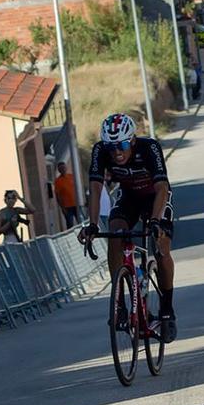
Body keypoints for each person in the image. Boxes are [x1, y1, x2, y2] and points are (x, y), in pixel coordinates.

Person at [78, 113, 178, 343]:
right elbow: (95, 188)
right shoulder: (99, 151)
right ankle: (119, 305)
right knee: (115, 233)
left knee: (161, 247)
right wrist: (92, 224)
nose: (117, 152)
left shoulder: (149, 148)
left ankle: (166, 309)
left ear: (132, 141)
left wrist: (154, 221)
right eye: (111, 147)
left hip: (155, 198)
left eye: (122, 145)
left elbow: (162, 187)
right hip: (129, 197)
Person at [54, 161, 79, 230]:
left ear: (66, 168)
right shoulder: (58, 181)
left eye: (64, 167)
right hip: (67, 207)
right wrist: (62, 208)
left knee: (81, 221)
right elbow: (57, 195)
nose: (63, 169)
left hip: (76, 204)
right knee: (70, 224)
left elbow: (78, 188)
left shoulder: (71, 176)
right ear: (59, 170)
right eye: (61, 168)